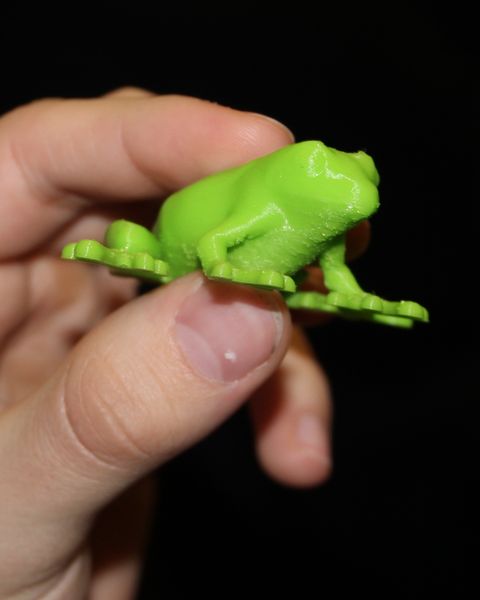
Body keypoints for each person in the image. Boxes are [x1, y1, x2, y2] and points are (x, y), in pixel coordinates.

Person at [0, 88, 368, 598]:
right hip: (176, 249)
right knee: (135, 237)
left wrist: (353, 295)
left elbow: (335, 269)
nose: (363, 199)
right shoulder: (266, 204)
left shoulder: (324, 228)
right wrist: (220, 271)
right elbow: (217, 241)